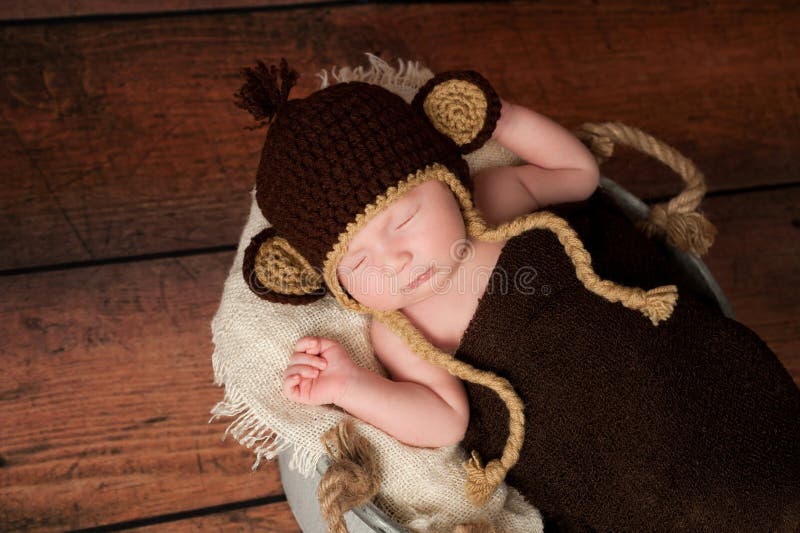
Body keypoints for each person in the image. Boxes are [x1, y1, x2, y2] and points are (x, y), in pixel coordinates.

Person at [237, 58, 800, 531]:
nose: (395, 260)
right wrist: (353, 386)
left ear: (446, 181)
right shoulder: (395, 326)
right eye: (357, 261)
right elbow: (443, 421)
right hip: (580, 448)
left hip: (652, 361)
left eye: (405, 219)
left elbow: (577, 174)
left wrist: (503, 119)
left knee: (750, 429)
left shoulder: (491, 201)